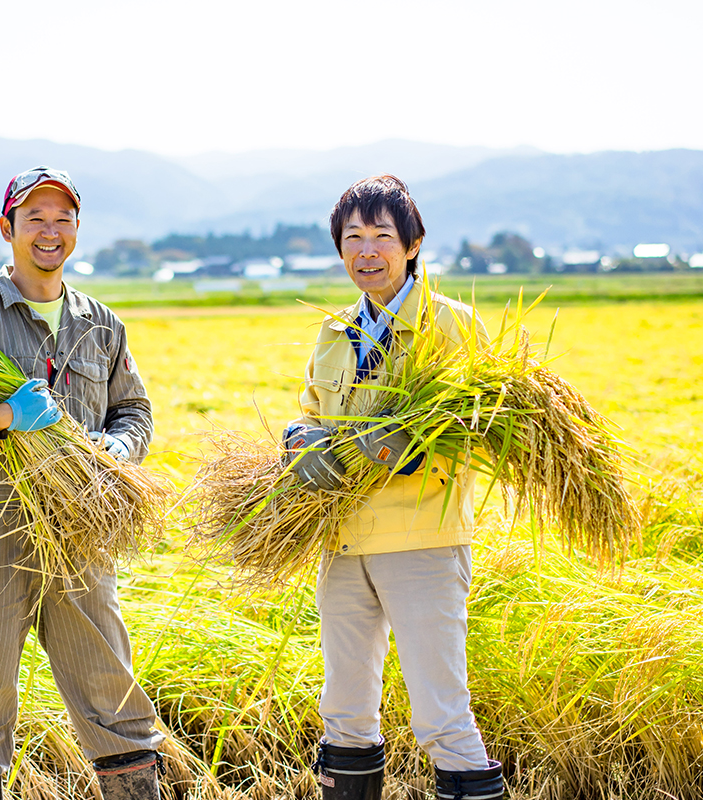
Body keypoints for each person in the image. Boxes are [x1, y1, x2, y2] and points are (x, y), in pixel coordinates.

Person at [0, 167, 164, 800]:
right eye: (35, 220)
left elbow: (134, 408)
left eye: (62, 219)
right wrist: (1, 418)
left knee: (108, 681)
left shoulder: (100, 323)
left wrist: (118, 447)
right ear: (8, 228)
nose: (49, 232)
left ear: (77, 228)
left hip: (80, 525)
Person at [282, 175, 506, 800]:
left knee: (441, 713)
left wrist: (410, 448)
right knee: (345, 711)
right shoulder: (334, 332)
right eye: (353, 238)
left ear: (412, 245)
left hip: (422, 543)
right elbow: (309, 410)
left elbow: (484, 426)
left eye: (383, 235)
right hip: (342, 541)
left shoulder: (452, 325)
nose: (367, 250)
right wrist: (298, 442)